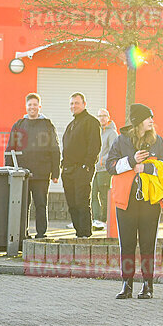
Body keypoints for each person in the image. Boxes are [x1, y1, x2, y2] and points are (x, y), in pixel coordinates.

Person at [106, 103, 163, 299]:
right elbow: (110, 166)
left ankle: (148, 286)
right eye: (149, 117)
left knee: (148, 245)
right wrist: (132, 161)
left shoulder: (158, 141)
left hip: (150, 202)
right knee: (127, 244)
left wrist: (146, 168)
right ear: (139, 121)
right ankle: (126, 285)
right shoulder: (121, 141)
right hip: (126, 202)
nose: (152, 121)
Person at [5, 93, 61, 238]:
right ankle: (23, 233)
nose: (32, 107)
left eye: (35, 105)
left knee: (41, 204)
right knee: (23, 205)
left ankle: (41, 233)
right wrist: (9, 171)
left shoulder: (47, 124)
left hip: (42, 174)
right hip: (22, 174)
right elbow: (10, 148)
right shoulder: (19, 125)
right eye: (30, 105)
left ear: (39, 107)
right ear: (26, 106)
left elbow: (55, 149)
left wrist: (55, 173)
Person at [61, 92, 102, 237]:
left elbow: (94, 145)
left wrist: (87, 165)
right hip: (68, 171)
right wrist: (62, 166)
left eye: (77, 103)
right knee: (72, 204)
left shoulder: (91, 122)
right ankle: (79, 233)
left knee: (82, 202)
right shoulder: (71, 124)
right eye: (71, 103)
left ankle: (85, 234)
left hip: (82, 170)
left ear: (84, 104)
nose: (74, 106)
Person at [91, 108, 118, 229]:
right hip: (95, 169)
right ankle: (96, 219)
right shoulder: (97, 131)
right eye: (99, 116)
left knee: (104, 195)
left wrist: (102, 160)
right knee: (93, 195)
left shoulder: (112, 133)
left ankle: (104, 220)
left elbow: (114, 151)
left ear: (108, 117)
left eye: (104, 116)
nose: (102, 118)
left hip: (105, 170)